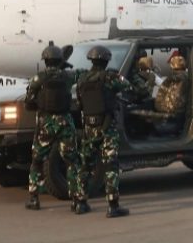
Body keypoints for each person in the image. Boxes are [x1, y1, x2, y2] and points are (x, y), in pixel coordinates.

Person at [73, 45, 132, 217]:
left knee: (85, 165)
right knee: (110, 166)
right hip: (107, 128)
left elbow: (79, 103)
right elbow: (127, 87)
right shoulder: (109, 78)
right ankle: (113, 206)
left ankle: (81, 203)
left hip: (89, 127)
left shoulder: (82, 79)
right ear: (106, 61)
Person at [24, 43, 79, 211]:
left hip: (45, 123)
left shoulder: (39, 78)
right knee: (71, 161)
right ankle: (77, 201)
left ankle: (34, 199)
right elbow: (82, 75)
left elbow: (29, 101)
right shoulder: (68, 76)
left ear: (45, 60)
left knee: (37, 161)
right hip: (65, 122)